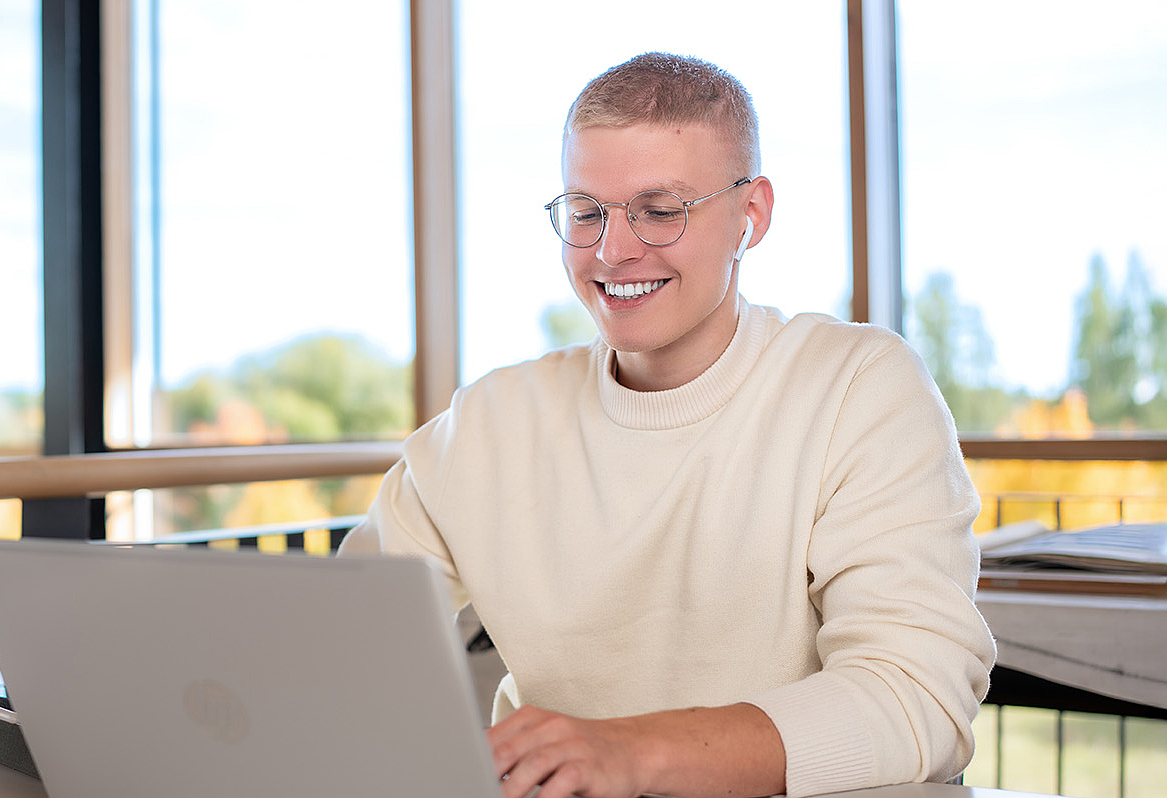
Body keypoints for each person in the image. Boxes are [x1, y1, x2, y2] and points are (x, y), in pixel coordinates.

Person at [338, 52, 995, 798]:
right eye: (584, 211)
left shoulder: (858, 387)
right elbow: (340, 649)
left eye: (658, 211)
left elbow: (916, 700)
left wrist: (627, 753)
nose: (612, 251)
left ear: (751, 216)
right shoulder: (486, 424)